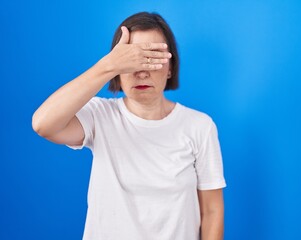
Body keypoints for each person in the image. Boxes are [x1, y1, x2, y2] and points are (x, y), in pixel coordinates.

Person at [32, 12, 226, 240]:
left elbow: (212, 211)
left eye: (152, 58)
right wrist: (107, 66)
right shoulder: (100, 115)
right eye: (131, 59)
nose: (141, 71)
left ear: (170, 68)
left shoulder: (199, 126)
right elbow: (43, 124)